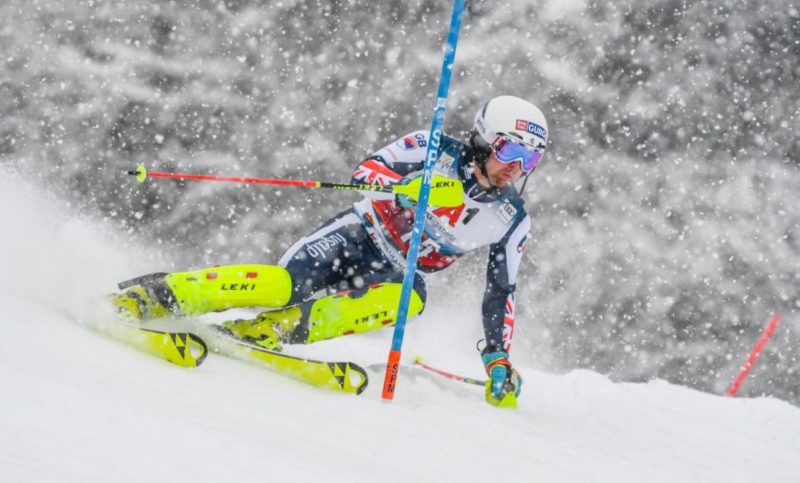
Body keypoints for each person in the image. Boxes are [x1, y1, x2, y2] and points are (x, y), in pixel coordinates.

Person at [111, 95, 548, 407]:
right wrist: (407, 191)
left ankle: (271, 333)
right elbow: (368, 171)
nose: (515, 168)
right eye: (509, 150)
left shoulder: (511, 219)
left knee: (411, 298)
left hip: (397, 271)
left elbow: (500, 291)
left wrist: (497, 358)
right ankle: (161, 295)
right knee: (282, 285)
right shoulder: (432, 147)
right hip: (358, 235)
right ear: (484, 139)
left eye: (529, 160)